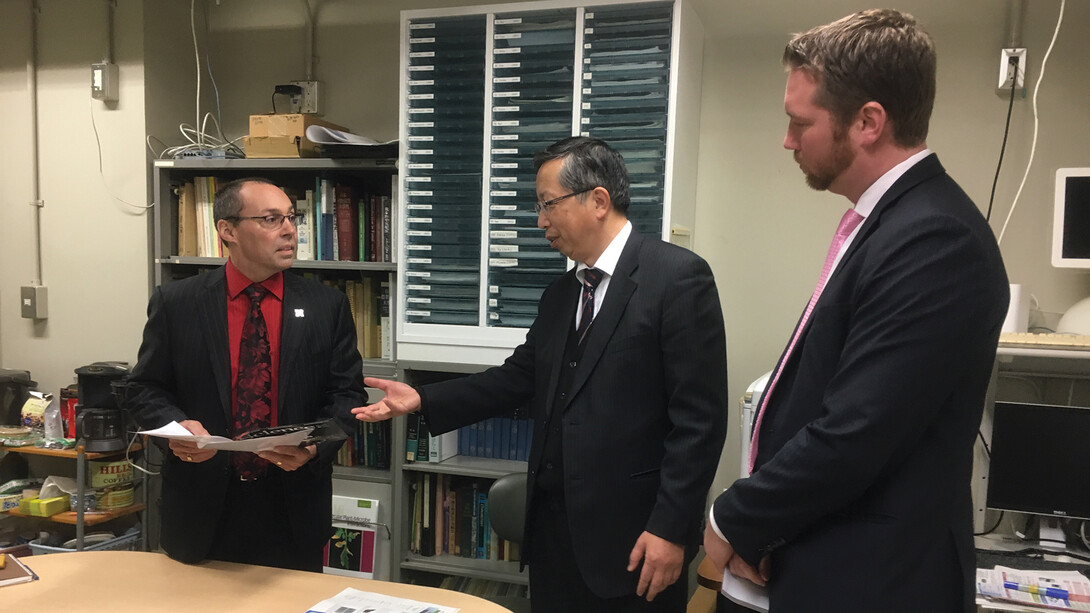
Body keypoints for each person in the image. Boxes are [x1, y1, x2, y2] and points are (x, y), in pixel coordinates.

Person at [704, 9, 1009, 612]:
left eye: (799, 122)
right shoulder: (889, 224)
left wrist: (733, 518)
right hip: (825, 560)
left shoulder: (935, 240)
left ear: (868, 121)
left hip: (876, 583)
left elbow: (856, 432)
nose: (787, 140)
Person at [355, 136, 727, 611]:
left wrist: (671, 530)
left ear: (597, 200)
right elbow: (517, 378)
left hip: (635, 539)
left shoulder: (677, 278)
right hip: (553, 537)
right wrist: (424, 399)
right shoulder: (560, 295)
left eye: (549, 204)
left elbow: (700, 423)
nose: (540, 221)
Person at [126, 177, 365, 571]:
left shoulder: (327, 305)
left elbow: (347, 396)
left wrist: (313, 448)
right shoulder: (177, 302)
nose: (289, 230)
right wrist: (176, 432)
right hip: (200, 503)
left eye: (291, 217)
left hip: (291, 503)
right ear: (228, 230)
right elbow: (145, 388)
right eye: (271, 219)